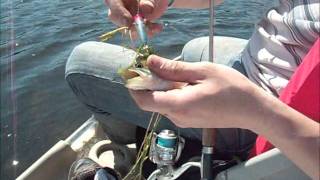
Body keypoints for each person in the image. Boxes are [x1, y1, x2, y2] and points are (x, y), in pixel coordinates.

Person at [65, 0, 319, 178]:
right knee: (194, 47)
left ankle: (123, 156)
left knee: (79, 64)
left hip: (272, 118)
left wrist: (255, 112)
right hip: (272, 64)